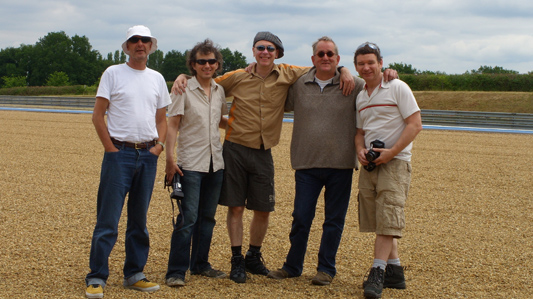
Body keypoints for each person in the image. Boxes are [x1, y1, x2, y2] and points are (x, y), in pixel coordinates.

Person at [172, 31, 355, 284]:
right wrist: (182, 76)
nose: (265, 52)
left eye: (270, 48)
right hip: (235, 149)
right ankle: (236, 259)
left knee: (263, 208)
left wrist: (344, 70)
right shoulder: (237, 77)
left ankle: (253, 255)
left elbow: (323, 64)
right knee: (235, 207)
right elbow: (206, 81)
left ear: (277, 53)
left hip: (263, 151)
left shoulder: (290, 74)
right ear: (254, 51)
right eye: (260, 47)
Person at [266, 37, 397, 286]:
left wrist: (390, 72)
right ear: (313, 59)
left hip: (341, 165)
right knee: (301, 218)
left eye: (330, 55)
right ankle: (292, 266)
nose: (325, 58)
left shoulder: (354, 84)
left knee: (333, 221)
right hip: (306, 164)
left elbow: (377, 81)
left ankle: (326, 269)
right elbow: (273, 83)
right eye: (320, 54)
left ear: (338, 59)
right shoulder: (298, 85)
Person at [85, 25, 171, 299]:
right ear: (127, 46)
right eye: (134, 40)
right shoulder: (113, 73)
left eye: (145, 40)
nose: (140, 44)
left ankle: (134, 274)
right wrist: (110, 149)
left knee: (139, 220)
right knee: (108, 219)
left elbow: (161, 119)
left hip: (147, 155)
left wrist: (159, 146)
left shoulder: (157, 78)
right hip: (118, 154)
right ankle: (97, 276)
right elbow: (98, 115)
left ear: (151, 46)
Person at [354, 42, 422, 298]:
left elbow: (415, 124)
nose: (366, 67)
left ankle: (377, 272)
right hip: (370, 164)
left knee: (388, 217)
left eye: (371, 62)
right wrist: (360, 149)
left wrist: (392, 152)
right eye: (361, 63)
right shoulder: (362, 96)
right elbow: (360, 132)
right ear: (356, 67)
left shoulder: (398, 87)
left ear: (381, 63)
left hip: (395, 162)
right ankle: (395, 272)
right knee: (381, 220)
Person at [164, 39, 228, 287]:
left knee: (208, 218)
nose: (207, 65)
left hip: (216, 163)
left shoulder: (219, 90)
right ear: (193, 64)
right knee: (187, 218)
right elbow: (173, 124)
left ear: (218, 64)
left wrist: (243, 125)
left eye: (212, 61)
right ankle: (176, 271)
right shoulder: (182, 89)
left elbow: (219, 121)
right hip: (190, 164)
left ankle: (200, 264)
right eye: (202, 61)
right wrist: (170, 160)